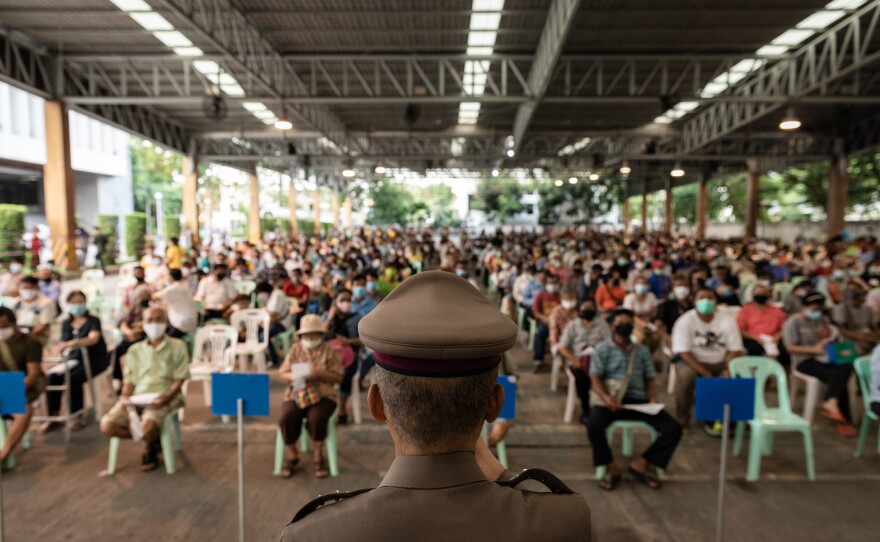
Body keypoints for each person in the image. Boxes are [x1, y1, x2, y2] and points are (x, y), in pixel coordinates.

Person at [281, 270, 593, 541]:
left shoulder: (313, 534)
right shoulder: (565, 522)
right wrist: (502, 477)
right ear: (496, 403)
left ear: (377, 404)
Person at [588, 309, 682, 490]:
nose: (624, 327)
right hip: (612, 399)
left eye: (628, 324)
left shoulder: (642, 351)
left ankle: (642, 463)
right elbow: (595, 377)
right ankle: (609, 466)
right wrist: (606, 398)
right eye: (620, 323)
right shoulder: (602, 349)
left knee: (673, 429)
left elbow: (650, 379)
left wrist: (652, 398)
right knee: (594, 424)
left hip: (638, 401)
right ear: (612, 326)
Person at [100, 308, 189, 472]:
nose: (154, 324)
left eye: (158, 319)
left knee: (148, 425)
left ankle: (149, 447)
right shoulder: (135, 350)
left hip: (166, 396)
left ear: (166, 322)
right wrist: (125, 397)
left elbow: (180, 379)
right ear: (143, 324)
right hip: (138, 397)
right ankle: (152, 439)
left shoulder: (178, 346)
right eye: (149, 320)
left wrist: (166, 397)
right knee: (107, 425)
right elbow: (130, 381)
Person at [276, 314, 343, 479]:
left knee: (317, 417)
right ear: (301, 336)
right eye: (306, 335)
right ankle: (292, 453)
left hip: (324, 393)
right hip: (297, 392)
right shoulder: (295, 349)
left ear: (321, 334)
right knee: (286, 417)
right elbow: (282, 373)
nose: (310, 338)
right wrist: (293, 376)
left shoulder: (330, 350)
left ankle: (318, 454)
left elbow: (339, 377)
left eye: (314, 334)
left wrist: (319, 373)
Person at [671, 288, 744, 434]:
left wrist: (727, 367)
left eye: (710, 297)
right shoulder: (685, 321)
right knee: (686, 376)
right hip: (692, 360)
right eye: (702, 297)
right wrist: (703, 371)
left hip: (721, 361)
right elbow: (683, 352)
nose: (706, 301)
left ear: (716, 302)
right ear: (694, 301)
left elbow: (735, 348)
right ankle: (682, 419)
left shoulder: (726, 320)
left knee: (742, 375)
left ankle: (735, 418)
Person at [783, 292, 856, 437]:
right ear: (804, 307)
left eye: (819, 309)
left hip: (824, 357)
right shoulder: (793, 322)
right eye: (813, 308)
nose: (816, 312)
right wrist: (813, 350)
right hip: (803, 361)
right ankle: (841, 418)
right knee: (836, 376)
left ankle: (832, 402)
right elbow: (790, 347)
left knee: (845, 367)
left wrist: (828, 336)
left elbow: (832, 337)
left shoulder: (822, 319)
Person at [40, 291, 108, 433]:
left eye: (80, 301)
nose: (77, 305)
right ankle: (53, 415)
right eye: (74, 302)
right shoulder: (66, 323)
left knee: (73, 378)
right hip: (73, 360)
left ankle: (76, 415)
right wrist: (61, 353)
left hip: (94, 360)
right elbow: (62, 344)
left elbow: (93, 339)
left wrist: (74, 343)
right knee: (53, 376)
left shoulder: (93, 321)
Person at [0, 307, 46, 467]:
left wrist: (10, 393)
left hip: (19, 385)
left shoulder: (31, 343)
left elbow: (33, 375)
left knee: (24, 412)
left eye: (3, 327)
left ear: (14, 323)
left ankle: (4, 454)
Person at [558, 298, 612, 423]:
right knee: (581, 379)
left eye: (591, 308)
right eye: (585, 308)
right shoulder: (573, 325)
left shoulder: (602, 325)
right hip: (578, 361)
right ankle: (586, 410)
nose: (588, 311)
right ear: (579, 310)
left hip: (598, 359)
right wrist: (573, 358)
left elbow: (609, 344)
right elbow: (562, 347)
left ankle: (604, 408)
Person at [736, 282, 788, 362]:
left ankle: (782, 372)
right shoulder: (746, 310)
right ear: (753, 295)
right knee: (754, 350)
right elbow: (741, 330)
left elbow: (784, 327)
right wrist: (757, 338)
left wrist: (777, 336)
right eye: (758, 293)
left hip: (774, 338)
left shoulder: (776, 310)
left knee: (785, 351)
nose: (761, 295)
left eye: (763, 293)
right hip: (753, 338)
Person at [833, 281, 880, 355]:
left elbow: (874, 327)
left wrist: (875, 335)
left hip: (868, 336)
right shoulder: (842, 308)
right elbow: (842, 329)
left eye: (855, 289)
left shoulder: (868, 308)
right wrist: (861, 337)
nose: (853, 292)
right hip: (852, 339)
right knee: (860, 350)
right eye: (850, 290)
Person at [153, 268, 199, 338]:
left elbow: (154, 297)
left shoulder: (173, 288)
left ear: (170, 277)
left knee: (166, 340)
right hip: (189, 321)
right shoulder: (182, 286)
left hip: (182, 323)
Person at [13, 276, 56, 346]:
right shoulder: (17, 302)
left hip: (37, 335)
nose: (26, 290)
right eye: (23, 288)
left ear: (36, 287)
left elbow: (45, 324)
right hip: (19, 333)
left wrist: (28, 337)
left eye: (28, 288)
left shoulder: (45, 303)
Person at [259, 276, 292, 367]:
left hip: (282, 324)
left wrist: (264, 311)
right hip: (273, 322)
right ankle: (262, 356)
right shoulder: (271, 296)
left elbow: (274, 313)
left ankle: (274, 359)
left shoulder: (278, 295)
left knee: (264, 336)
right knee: (257, 331)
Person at [531, 272, 561, 372]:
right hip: (545, 322)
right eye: (550, 283)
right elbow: (535, 312)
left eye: (554, 283)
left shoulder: (560, 297)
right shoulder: (540, 296)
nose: (552, 285)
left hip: (558, 323)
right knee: (540, 334)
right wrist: (544, 318)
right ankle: (538, 361)